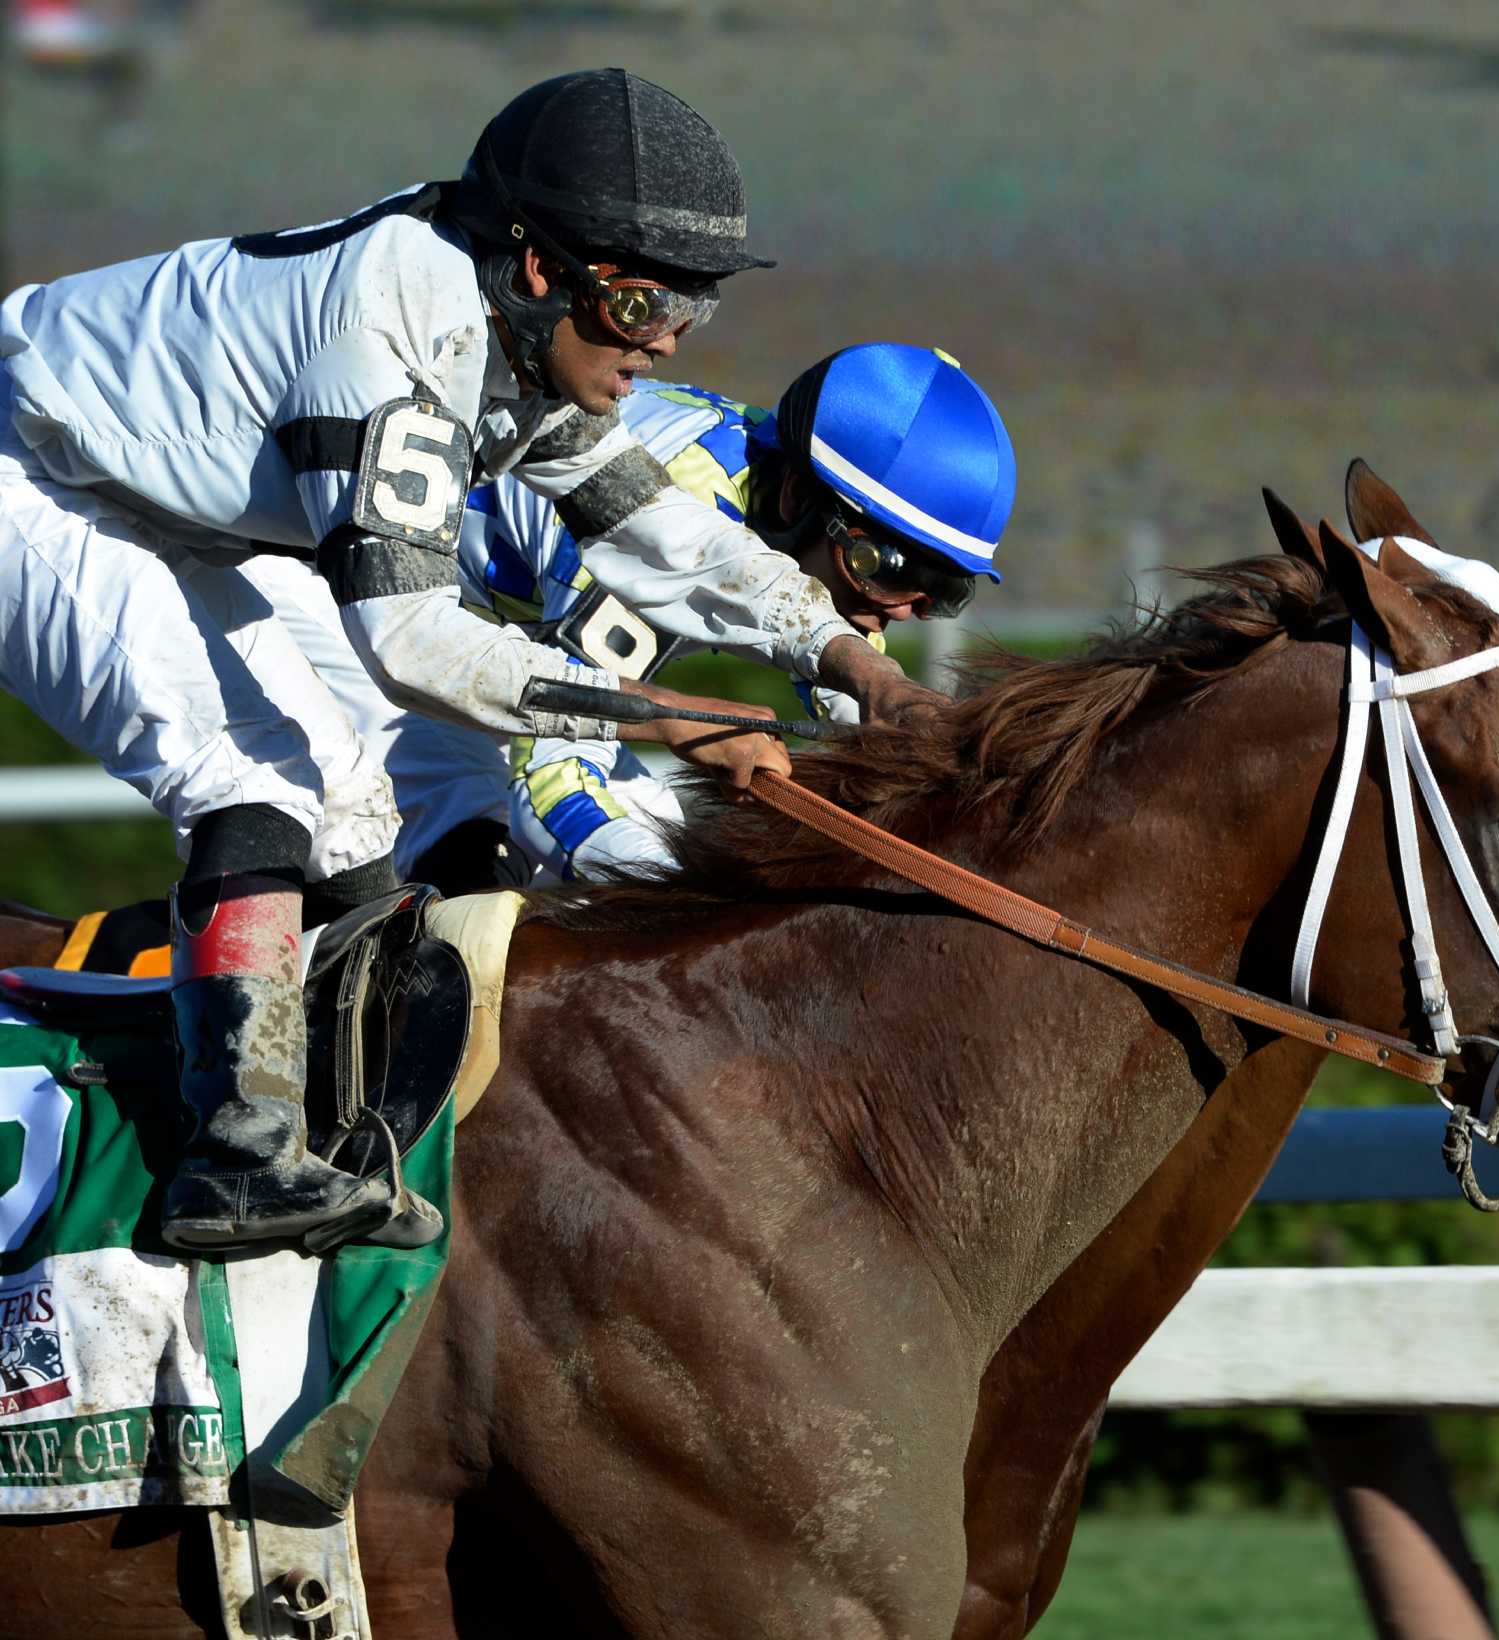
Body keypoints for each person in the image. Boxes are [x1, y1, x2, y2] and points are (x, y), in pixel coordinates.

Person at [0, 69, 929, 1255]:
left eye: (692, 313)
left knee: (352, 807)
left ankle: (343, 1125)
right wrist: (668, 716)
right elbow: (414, 644)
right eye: (642, 304)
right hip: (35, 474)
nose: (662, 347)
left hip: (164, 502)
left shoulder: (507, 310)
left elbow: (655, 530)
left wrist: (855, 659)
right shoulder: (396, 336)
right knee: (262, 775)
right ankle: (233, 1160)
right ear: (541, 266)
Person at [261, 343, 1012, 890]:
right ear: (796, 503)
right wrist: (730, 891)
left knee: (664, 823)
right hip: (348, 597)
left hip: (502, 629)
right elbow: (551, 785)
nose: (911, 609)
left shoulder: (790, 510)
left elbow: (863, 732)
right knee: (486, 852)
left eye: (946, 591)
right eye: (893, 572)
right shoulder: (672, 511)